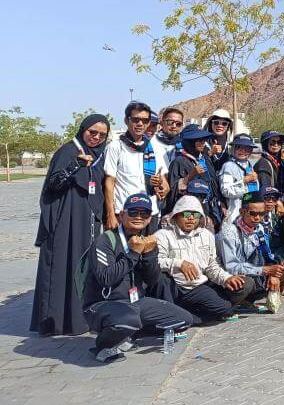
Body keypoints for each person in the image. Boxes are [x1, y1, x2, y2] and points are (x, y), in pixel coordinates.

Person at [81, 193, 194, 363]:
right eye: (133, 212)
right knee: (127, 320)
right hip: (103, 304)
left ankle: (126, 335)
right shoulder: (105, 241)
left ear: (149, 219)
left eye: (144, 213)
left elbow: (153, 280)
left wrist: (148, 255)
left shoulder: (146, 241)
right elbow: (106, 278)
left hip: (135, 302)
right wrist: (133, 253)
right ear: (122, 215)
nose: (139, 217)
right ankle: (103, 346)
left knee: (183, 320)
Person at [31, 113, 110, 335]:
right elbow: (53, 184)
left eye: (102, 135)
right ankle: (56, 323)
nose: (96, 137)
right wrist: (76, 164)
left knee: (82, 265)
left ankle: (79, 319)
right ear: (83, 129)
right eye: (92, 132)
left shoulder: (98, 154)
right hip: (66, 220)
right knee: (62, 265)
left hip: (86, 220)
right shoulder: (68, 151)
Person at [156, 196, 254, 322]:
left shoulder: (206, 235)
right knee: (222, 308)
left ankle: (191, 313)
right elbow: (156, 262)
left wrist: (226, 278)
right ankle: (185, 316)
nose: (191, 218)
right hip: (175, 288)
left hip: (199, 286)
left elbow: (212, 266)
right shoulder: (162, 235)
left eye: (196, 215)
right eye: (186, 214)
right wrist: (178, 263)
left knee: (245, 284)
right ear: (176, 216)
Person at [217, 191, 284, 314]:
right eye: (253, 213)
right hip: (226, 277)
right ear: (242, 212)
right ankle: (227, 305)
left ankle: (247, 301)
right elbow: (231, 267)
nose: (257, 218)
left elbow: (268, 256)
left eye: (262, 214)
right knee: (247, 283)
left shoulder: (259, 228)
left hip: (249, 270)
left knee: (283, 270)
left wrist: (274, 273)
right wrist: (264, 270)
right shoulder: (229, 232)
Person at [103, 101, 169, 229]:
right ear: (126, 121)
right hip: (125, 213)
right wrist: (110, 214)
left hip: (150, 212)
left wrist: (162, 185)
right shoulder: (115, 147)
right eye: (135, 119)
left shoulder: (156, 148)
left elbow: (164, 183)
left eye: (145, 121)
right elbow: (109, 182)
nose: (140, 124)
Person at [164, 124, 222, 230]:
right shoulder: (179, 161)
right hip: (190, 216)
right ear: (189, 142)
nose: (203, 143)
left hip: (209, 211)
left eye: (204, 140)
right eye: (199, 140)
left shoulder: (205, 159)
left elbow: (213, 184)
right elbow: (173, 192)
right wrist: (191, 175)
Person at [219, 134, 261, 226]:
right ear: (233, 149)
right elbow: (225, 191)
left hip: (251, 213)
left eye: (247, 148)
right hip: (235, 214)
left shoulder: (249, 165)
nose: (243, 151)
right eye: (239, 148)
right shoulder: (228, 166)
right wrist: (244, 181)